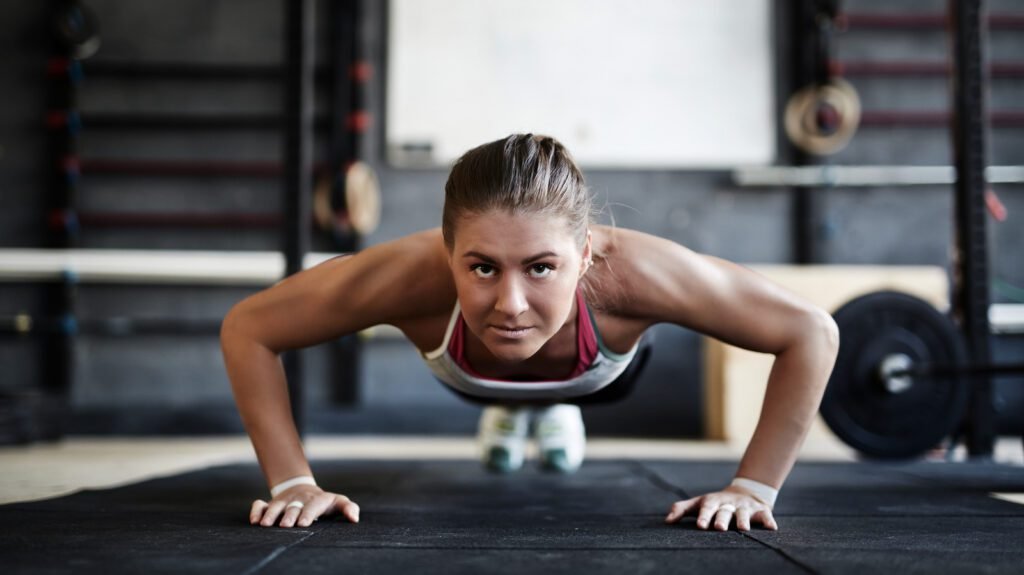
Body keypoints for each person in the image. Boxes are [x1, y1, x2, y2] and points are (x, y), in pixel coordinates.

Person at [220, 133, 840, 533]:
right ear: (448, 252)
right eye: (482, 267)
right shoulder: (406, 276)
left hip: (601, 380)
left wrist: (751, 487)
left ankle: (550, 412)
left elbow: (811, 332)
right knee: (500, 403)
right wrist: (293, 480)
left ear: (587, 254)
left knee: (565, 418)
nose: (511, 304)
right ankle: (514, 411)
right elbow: (249, 328)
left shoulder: (642, 274)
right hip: (471, 378)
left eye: (542, 267)